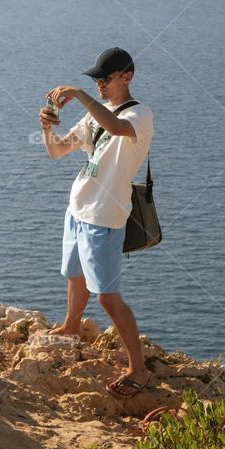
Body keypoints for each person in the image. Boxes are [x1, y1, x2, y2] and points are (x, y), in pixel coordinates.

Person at [39, 47, 155, 399]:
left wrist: (79, 94)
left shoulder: (140, 115)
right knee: (74, 273)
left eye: (105, 79)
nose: (100, 85)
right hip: (78, 208)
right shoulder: (95, 115)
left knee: (107, 297)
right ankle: (71, 326)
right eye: (96, 80)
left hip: (105, 216)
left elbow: (117, 127)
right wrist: (46, 128)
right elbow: (58, 151)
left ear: (127, 77)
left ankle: (139, 368)